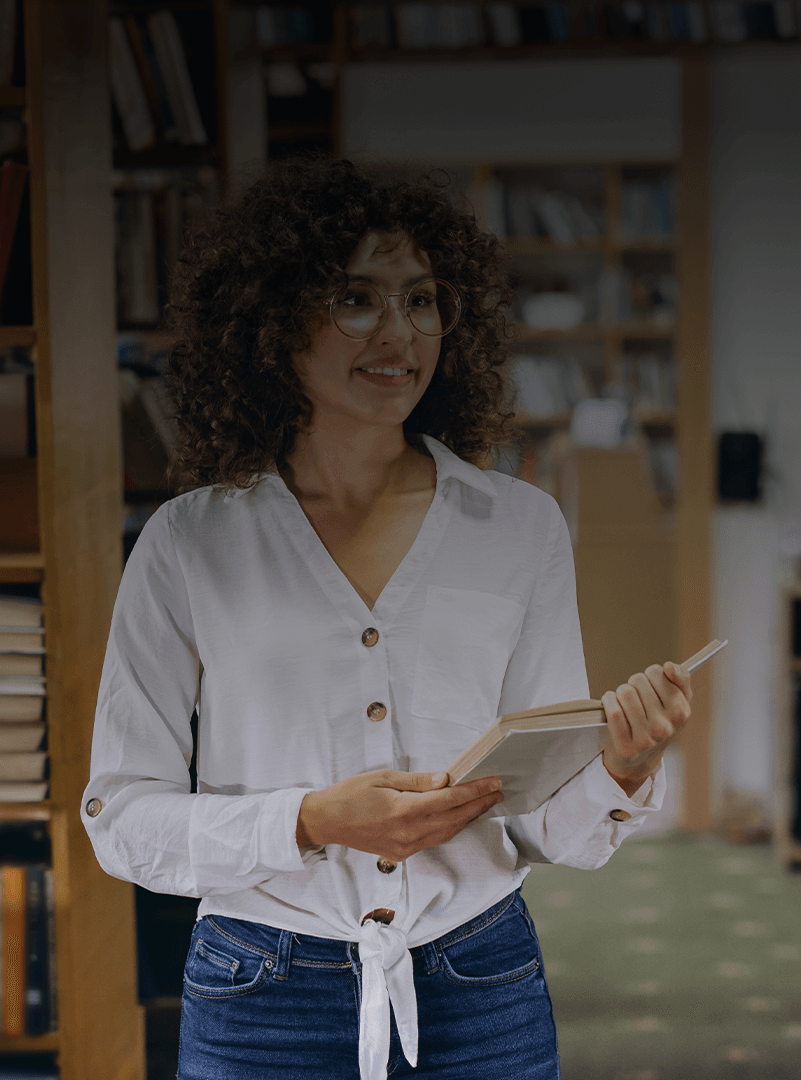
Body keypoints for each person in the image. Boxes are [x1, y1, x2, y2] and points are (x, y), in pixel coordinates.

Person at [80, 157, 694, 1080]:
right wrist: (312, 820)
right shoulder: (188, 544)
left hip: (480, 983)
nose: (399, 334)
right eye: (355, 300)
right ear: (275, 321)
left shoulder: (521, 527)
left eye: (420, 300)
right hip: (259, 1000)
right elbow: (121, 819)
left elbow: (539, 830)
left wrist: (621, 766)